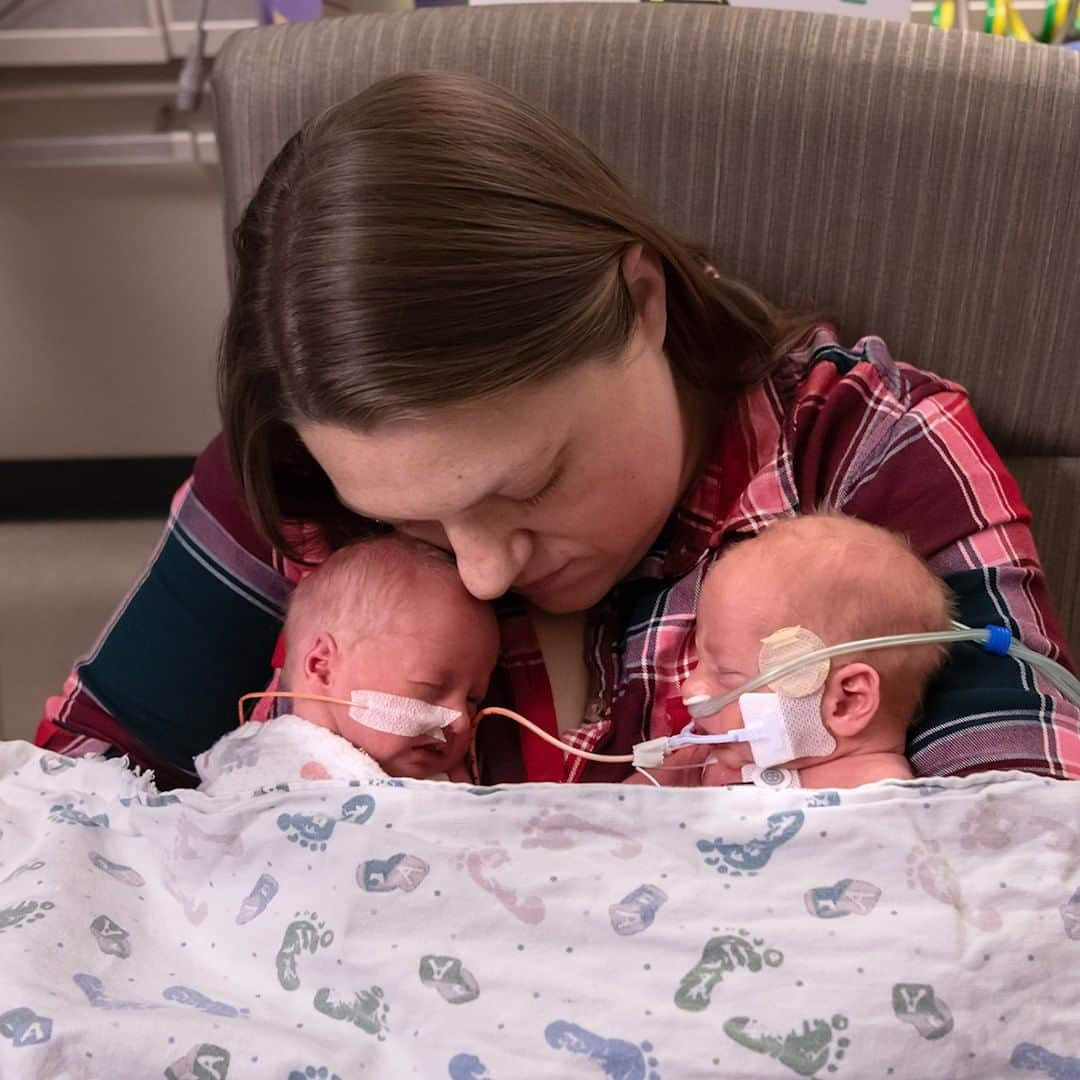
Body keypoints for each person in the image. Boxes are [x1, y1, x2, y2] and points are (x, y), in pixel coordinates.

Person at [36, 72, 1077, 788]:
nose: (485, 574)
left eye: (526, 487)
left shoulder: (874, 464)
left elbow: (1024, 866)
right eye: (422, 527)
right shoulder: (298, 482)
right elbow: (74, 805)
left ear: (642, 299)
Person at [631, 514, 954, 789]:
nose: (691, 688)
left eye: (727, 675)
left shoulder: (878, 799)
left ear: (845, 702)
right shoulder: (708, 757)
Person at [195, 535, 498, 796]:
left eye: (473, 701)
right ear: (321, 666)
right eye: (431, 688)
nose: (460, 721)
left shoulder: (449, 790)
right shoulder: (254, 768)